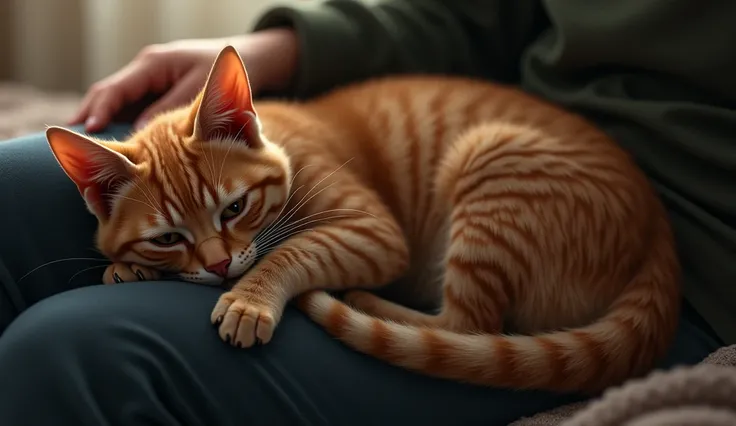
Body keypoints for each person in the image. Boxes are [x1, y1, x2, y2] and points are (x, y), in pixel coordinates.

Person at [0, 0, 733, 424]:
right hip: (538, 125)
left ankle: (462, 321)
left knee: (60, 353)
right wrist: (276, 48)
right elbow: (486, 14)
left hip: (682, 237)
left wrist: (268, 277)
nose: (218, 261)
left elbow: (376, 243)